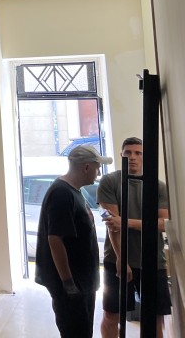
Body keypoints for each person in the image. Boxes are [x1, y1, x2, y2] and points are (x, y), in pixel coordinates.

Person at [35, 144, 113, 338]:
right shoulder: (61, 194)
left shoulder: (75, 190)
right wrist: (68, 283)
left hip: (82, 281)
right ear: (86, 167)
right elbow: (55, 240)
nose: (98, 173)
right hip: (73, 285)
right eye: (97, 167)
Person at [97, 137, 170, 338]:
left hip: (152, 261)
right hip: (117, 259)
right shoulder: (110, 181)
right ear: (121, 155)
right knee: (111, 315)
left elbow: (164, 224)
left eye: (138, 153)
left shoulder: (158, 186)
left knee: (154, 318)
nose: (133, 157)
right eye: (128, 152)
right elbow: (112, 224)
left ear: (145, 157)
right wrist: (122, 259)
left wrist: (126, 222)